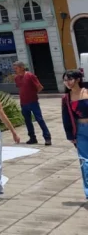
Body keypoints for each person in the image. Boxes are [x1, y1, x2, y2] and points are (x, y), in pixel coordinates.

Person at [60, 69, 88, 201]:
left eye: (69, 79)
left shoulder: (86, 91)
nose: (67, 83)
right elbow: (66, 117)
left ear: (77, 79)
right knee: (85, 162)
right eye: (65, 80)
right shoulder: (66, 98)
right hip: (81, 131)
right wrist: (70, 135)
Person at [13, 61, 51, 145]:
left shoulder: (30, 76)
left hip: (33, 102)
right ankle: (32, 138)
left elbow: (40, 87)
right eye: (14, 68)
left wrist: (33, 93)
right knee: (27, 121)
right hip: (23, 103)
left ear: (22, 67)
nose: (15, 70)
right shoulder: (16, 78)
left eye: (17, 68)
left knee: (39, 119)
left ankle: (47, 137)